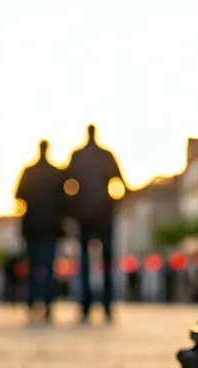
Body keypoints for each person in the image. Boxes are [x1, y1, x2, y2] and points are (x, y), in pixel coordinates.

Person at [64, 124, 126, 324]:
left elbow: (67, 184)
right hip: (103, 211)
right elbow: (121, 182)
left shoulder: (78, 156)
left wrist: (73, 206)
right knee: (106, 262)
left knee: (85, 263)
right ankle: (106, 305)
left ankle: (86, 306)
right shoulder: (105, 155)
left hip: (85, 213)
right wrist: (113, 202)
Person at [15, 139, 67, 323]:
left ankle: (32, 301)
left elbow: (18, 194)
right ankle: (47, 302)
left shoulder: (30, 172)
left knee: (33, 265)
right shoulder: (56, 173)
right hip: (50, 226)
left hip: (33, 225)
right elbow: (65, 199)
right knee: (48, 266)